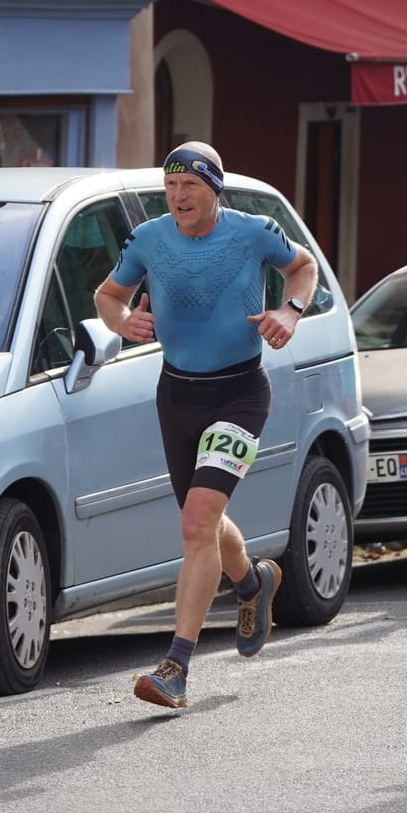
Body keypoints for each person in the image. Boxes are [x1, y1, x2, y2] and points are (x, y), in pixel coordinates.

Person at [98, 142, 318, 710]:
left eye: (190, 186)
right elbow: (108, 295)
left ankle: (175, 667)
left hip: (241, 393)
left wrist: (288, 312)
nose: (178, 197)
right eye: (171, 187)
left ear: (213, 189)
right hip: (177, 394)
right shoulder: (149, 239)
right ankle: (252, 583)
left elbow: (303, 267)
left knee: (197, 521)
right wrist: (124, 320)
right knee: (205, 522)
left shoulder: (253, 231)